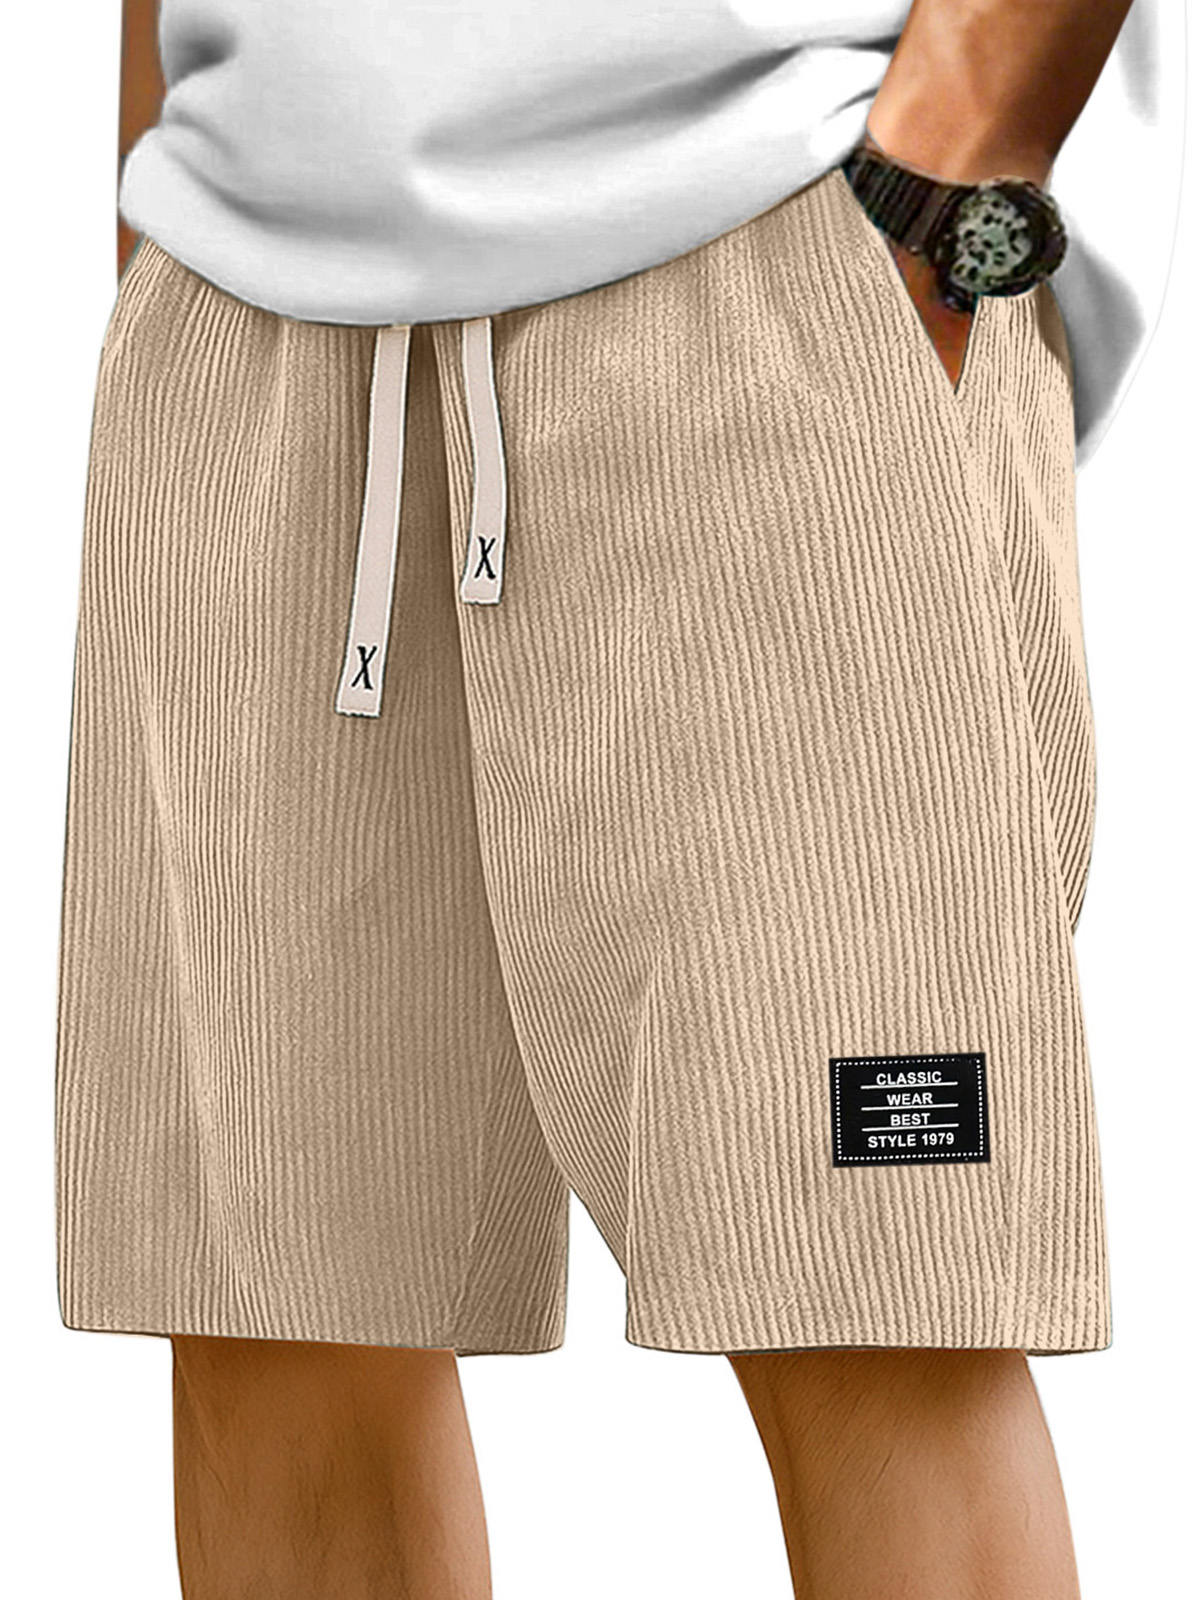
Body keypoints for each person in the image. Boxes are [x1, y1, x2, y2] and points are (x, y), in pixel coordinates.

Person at [54, 2, 1175, 1596]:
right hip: (243, 281)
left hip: (764, 233)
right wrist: (159, 184)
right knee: (278, 1321)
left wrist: (946, 171)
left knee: (875, 1306)